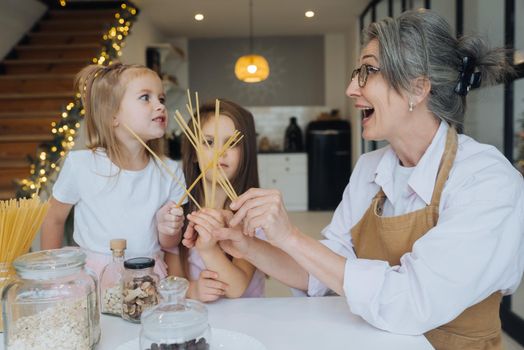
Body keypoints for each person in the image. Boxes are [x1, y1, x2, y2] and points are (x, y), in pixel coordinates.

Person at [192, 9, 524, 350]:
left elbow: (410, 301)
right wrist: (247, 245)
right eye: (357, 73)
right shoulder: (371, 168)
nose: (351, 89)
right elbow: (323, 274)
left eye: (368, 71)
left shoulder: (487, 180)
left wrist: (291, 237)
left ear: (418, 87)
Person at [41, 63, 186, 278]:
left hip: (147, 276)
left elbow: (170, 245)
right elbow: (53, 218)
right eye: (146, 97)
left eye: (161, 99)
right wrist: (51, 276)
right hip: (92, 278)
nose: (160, 106)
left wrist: (169, 229)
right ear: (113, 116)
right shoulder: (81, 165)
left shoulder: (171, 171)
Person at [161, 100, 265, 302]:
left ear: (245, 154)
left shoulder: (253, 214)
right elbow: (174, 280)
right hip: (198, 322)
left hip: (249, 320)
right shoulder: (178, 212)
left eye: (231, 143)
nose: (220, 152)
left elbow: (236, 288)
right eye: (208, 142)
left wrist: (209, 249)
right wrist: (193, 290)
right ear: (193, 154)